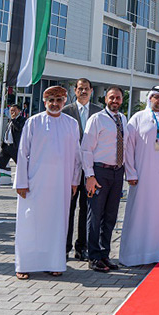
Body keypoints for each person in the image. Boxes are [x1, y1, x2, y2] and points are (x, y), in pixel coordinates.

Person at [14, 85, 81, 280]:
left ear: (64, 102)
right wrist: (21, 182)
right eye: (51, 100)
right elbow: (22, 152)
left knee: (56, 224)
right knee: (29, 223)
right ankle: (24, 264)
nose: (55, 104)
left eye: (59, 100)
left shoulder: (71, 124)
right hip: (34, 184)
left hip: (61, 185)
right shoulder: (33, 122)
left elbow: (77, 156)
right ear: (45, 102)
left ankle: (54, 263)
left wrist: (75, 181)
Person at [119, 85, 159, 265]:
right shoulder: (137, 118)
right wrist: (130, 172)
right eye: (156, 97)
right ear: (150, 98)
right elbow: (128, 147)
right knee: (140, 213)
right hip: (142, 177)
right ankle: (135, 255)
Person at [82, 86, 128, 273]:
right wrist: (89, 176)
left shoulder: (123, 119)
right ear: (105, 99)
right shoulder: (96, 119)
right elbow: (86, 149)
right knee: (95, 215)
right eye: (111, 98)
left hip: (117, 173)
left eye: (118, 98)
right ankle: (93, 256)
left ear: (122, 100)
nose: (115, 101)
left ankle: (104, 254)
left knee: (110, 216)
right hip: (99, 172)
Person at [62, 78, 99, 259]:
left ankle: (81, 247)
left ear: (91, 90)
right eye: (80, 89)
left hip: (90, 169)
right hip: (70, 167)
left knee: (86, 207)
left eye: (86, 89)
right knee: (68, 207)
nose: (83, 91)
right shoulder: (66, 112)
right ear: (74, 91)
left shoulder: (99, 113)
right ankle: (64, 246)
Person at [0, 104, 26, 188]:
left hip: (15, 147)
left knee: (21, 165)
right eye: (11, 110)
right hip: (6, 147)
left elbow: (18, 128)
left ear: (19, 111)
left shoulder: (22, 120)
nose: (12, 112)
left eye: (14, 110)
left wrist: (13, 119)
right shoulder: (10, 120)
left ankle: (25, 181)